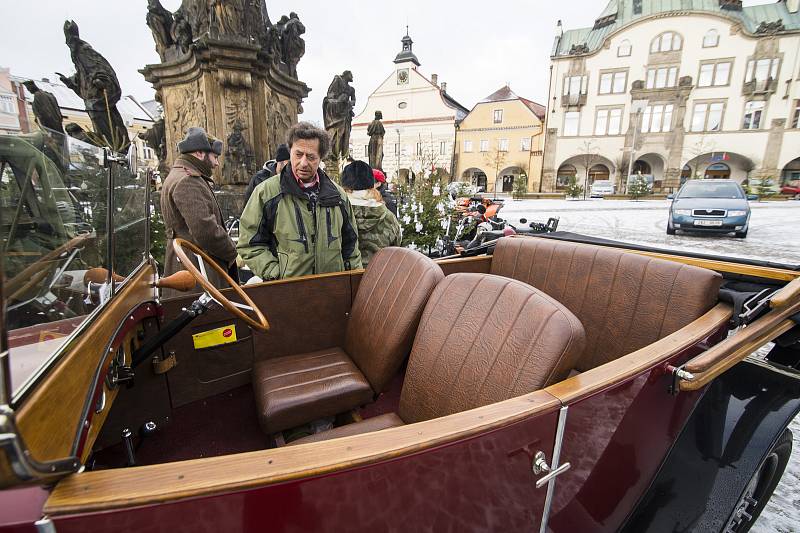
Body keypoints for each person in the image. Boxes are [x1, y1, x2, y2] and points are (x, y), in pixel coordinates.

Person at [237, 122, 362, 280]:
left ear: (320, 158)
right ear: (290, 152)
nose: (303, 163)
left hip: (332, 289)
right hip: (289, 291)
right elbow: (249, 242)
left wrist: (353, 280)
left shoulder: (337, 196)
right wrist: (275, 274)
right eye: (298, 154)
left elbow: (351, 244)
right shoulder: (267, 193)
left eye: (311, 157)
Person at [160, 127, 237, 298]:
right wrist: (232, 250)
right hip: (198, 271)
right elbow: (206, 232)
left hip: (188, 266)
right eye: (215, 157)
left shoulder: (178, 175)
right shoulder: (188, 181)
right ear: (200, 153)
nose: (217, 163)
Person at [342, 162, 402, 268]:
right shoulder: (388, 216)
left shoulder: (338, 214)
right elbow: (396, 246)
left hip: (346, 278)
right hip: (380, 276)